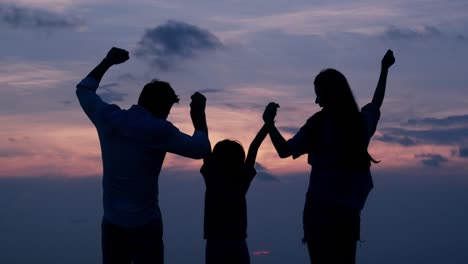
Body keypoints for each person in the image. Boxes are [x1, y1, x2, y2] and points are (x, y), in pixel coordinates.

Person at [76, 47, 210, 264]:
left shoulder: (109, 118)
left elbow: (83, 90)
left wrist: (108, 61)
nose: (167, 115)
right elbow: (200, 149)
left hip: (113, 222)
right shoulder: (160, 130)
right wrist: (199, 117)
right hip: (146, 224)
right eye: (167, 110)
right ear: (161, 107)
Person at [263, 50, 396, 264]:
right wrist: (384, 69)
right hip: (348, 214)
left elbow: (284, 150)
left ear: (329, 94)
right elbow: (376, 104)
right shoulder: (359, 124)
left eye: (318, 94)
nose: (316, 101)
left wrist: (269, 123)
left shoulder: (317, 124)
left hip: (320, 214)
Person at [200, 123, 270, 264]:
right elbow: (254, 147)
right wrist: (268, 123)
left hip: (215, 242)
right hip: (237, 242)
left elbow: (204, 139)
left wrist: (199, 108)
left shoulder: (212, 176)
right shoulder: (241, 179)